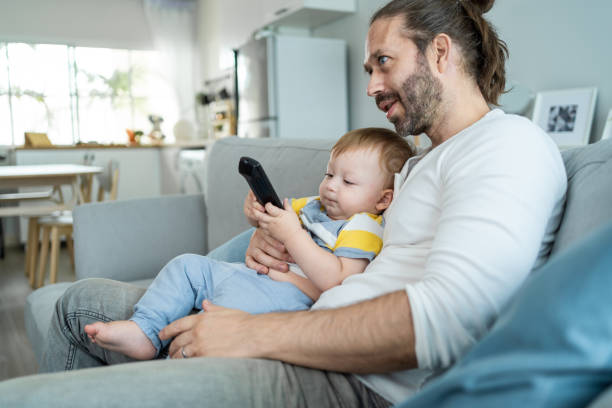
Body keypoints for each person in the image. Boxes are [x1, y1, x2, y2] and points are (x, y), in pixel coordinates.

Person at [39, 0, 567, 406]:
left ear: (441, 53)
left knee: (71, 322)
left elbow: (451, 317)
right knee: (76, 303)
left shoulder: (508, 147)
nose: (372, 87)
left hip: (357, 385)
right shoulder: (415, 165)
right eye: (369, 70)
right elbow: (352, 250)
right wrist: (272, 242)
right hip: (308, 334)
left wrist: (249, 333)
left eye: (383, 62)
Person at [82, 128, 413, 360]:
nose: (330, 187)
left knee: (205, 338)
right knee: (186, 265)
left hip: (280, 296)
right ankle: (145, 330)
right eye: (329, 175)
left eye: (348, 181)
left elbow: (339, 281)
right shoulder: (313, 205)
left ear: (383, 199)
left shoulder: (364, 225)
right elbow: (272, 219)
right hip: (244, 274)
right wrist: (255, 212)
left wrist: (293, 236)